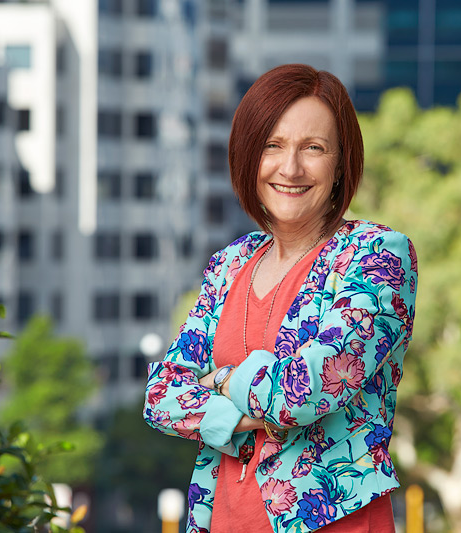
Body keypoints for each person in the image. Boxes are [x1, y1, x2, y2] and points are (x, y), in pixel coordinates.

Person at [144, 64, 417, 533]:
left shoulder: (376, 255)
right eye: (273, 145)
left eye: (313, 148)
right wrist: (248, 415)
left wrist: (222, 382)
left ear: (339, 165)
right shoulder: (230, 263)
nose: (290, 168)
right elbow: (160, 396)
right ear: (249, 156)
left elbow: (307, 390)